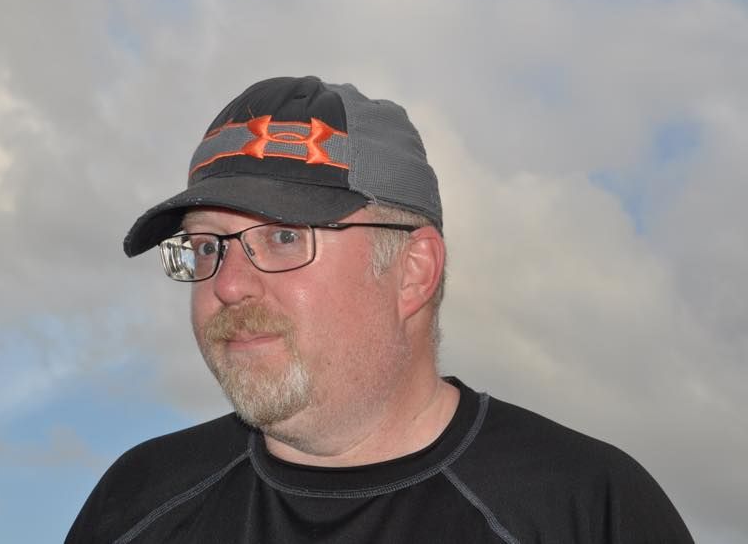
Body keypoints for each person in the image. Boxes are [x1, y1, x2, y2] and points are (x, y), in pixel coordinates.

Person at [66, 76, 692, 543]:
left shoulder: (586, 510)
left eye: (283, 237)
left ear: (413, 271)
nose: (228, 285)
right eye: (208, 246)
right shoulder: (137, 504)